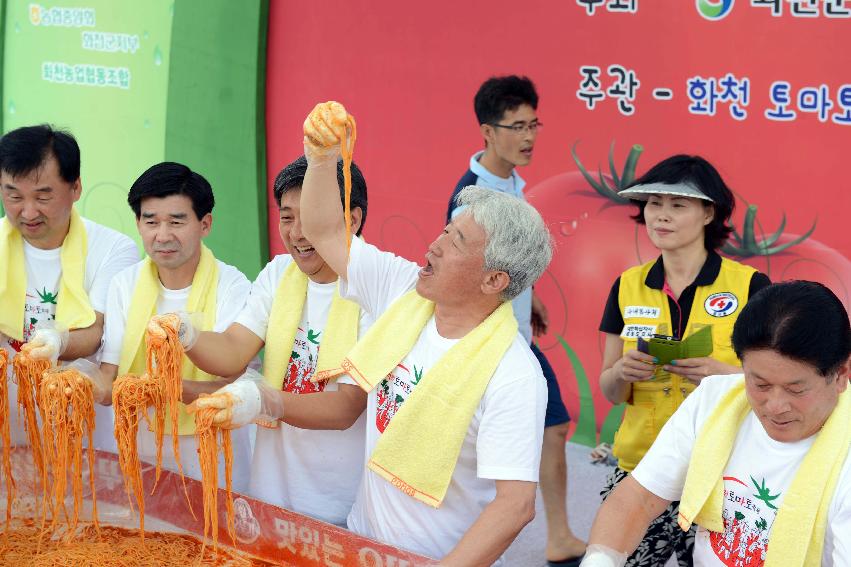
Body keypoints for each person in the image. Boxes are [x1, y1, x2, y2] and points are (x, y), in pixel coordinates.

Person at [193, 101, 551, 565]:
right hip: (359, 543)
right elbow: (324, 230)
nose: (435, 246)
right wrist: (322, 158)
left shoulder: (514, 375)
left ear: (494, 280)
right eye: (444, 231)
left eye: (456, 242)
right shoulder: (403, 294)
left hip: (430, 558)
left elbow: (515, 505)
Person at [148, 156, 370, 526]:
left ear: (354, 219)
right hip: (269, 495)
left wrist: (264, 401)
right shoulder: (279, 273)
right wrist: (186, 334)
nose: (298, 233)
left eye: (312, 215)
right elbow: (233, 350)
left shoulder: (374, 291)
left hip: (338, 507)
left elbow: (346, 407)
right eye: (286, 217)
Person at [582, 280, 851, 566]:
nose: (775, 406)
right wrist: (600, 559)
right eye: (759, 383)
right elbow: (639, 496)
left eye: (795, 389)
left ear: (840, 374)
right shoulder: (717, 399)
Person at [596, 155, 771, 566]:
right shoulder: (626, 286)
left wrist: (722, 374)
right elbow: (610, 391)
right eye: (654, 203)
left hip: (722, 471)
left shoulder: (750, 286)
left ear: (709, 212)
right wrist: (620, 372)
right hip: (644, 465)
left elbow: (773, 382)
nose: (662, 216)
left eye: (678, 205)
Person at [447, 75, 584, 565]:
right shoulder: (474, 197)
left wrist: (533, 295)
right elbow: (462, 275)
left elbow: (507, 261)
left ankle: (561, 536)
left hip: (516, 336)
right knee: (497, 444)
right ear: (488, 132)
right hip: (494, 343)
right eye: (516, 126)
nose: (528, 137)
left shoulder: (510, 184)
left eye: (533, 124)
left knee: (552, 427)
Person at [99, 162, 252, 489]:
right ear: (138, 224)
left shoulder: (233, 285)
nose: (163, 235)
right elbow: (109, 375)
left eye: (177, 221)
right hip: (138, 449)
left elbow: (232, 382)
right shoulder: (124, 285)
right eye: (151, 221)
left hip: (211, 455)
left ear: (205, 224)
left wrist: (167, 389)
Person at [0, 124, 138, 448]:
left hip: (83, 433)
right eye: (14, 196)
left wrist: (56, 342)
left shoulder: (114, 248)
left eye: (43, 196)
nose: (28, 211)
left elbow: (97, 332)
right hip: (9, 430)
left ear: (76, 187)